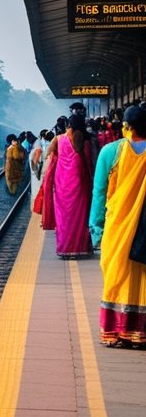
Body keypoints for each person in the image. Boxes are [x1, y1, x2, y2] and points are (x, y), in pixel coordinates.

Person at [90, 105, 146, 346]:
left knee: (116, 278)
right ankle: (139, 332)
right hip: (144, 231)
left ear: (126, 125)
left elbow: (99, 193)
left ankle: (116, 332)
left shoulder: (110, 152)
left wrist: (96, 229)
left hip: (117, 229)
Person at [43, 111, 94, 258]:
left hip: (62, 183)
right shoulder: (85, 140)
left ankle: (65, 248)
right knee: (81, 215)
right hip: (80, 182)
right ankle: (82, 247)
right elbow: (89, 163)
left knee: (64, 216)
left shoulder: (58, 139)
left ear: (68, 125)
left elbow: (49, 158)